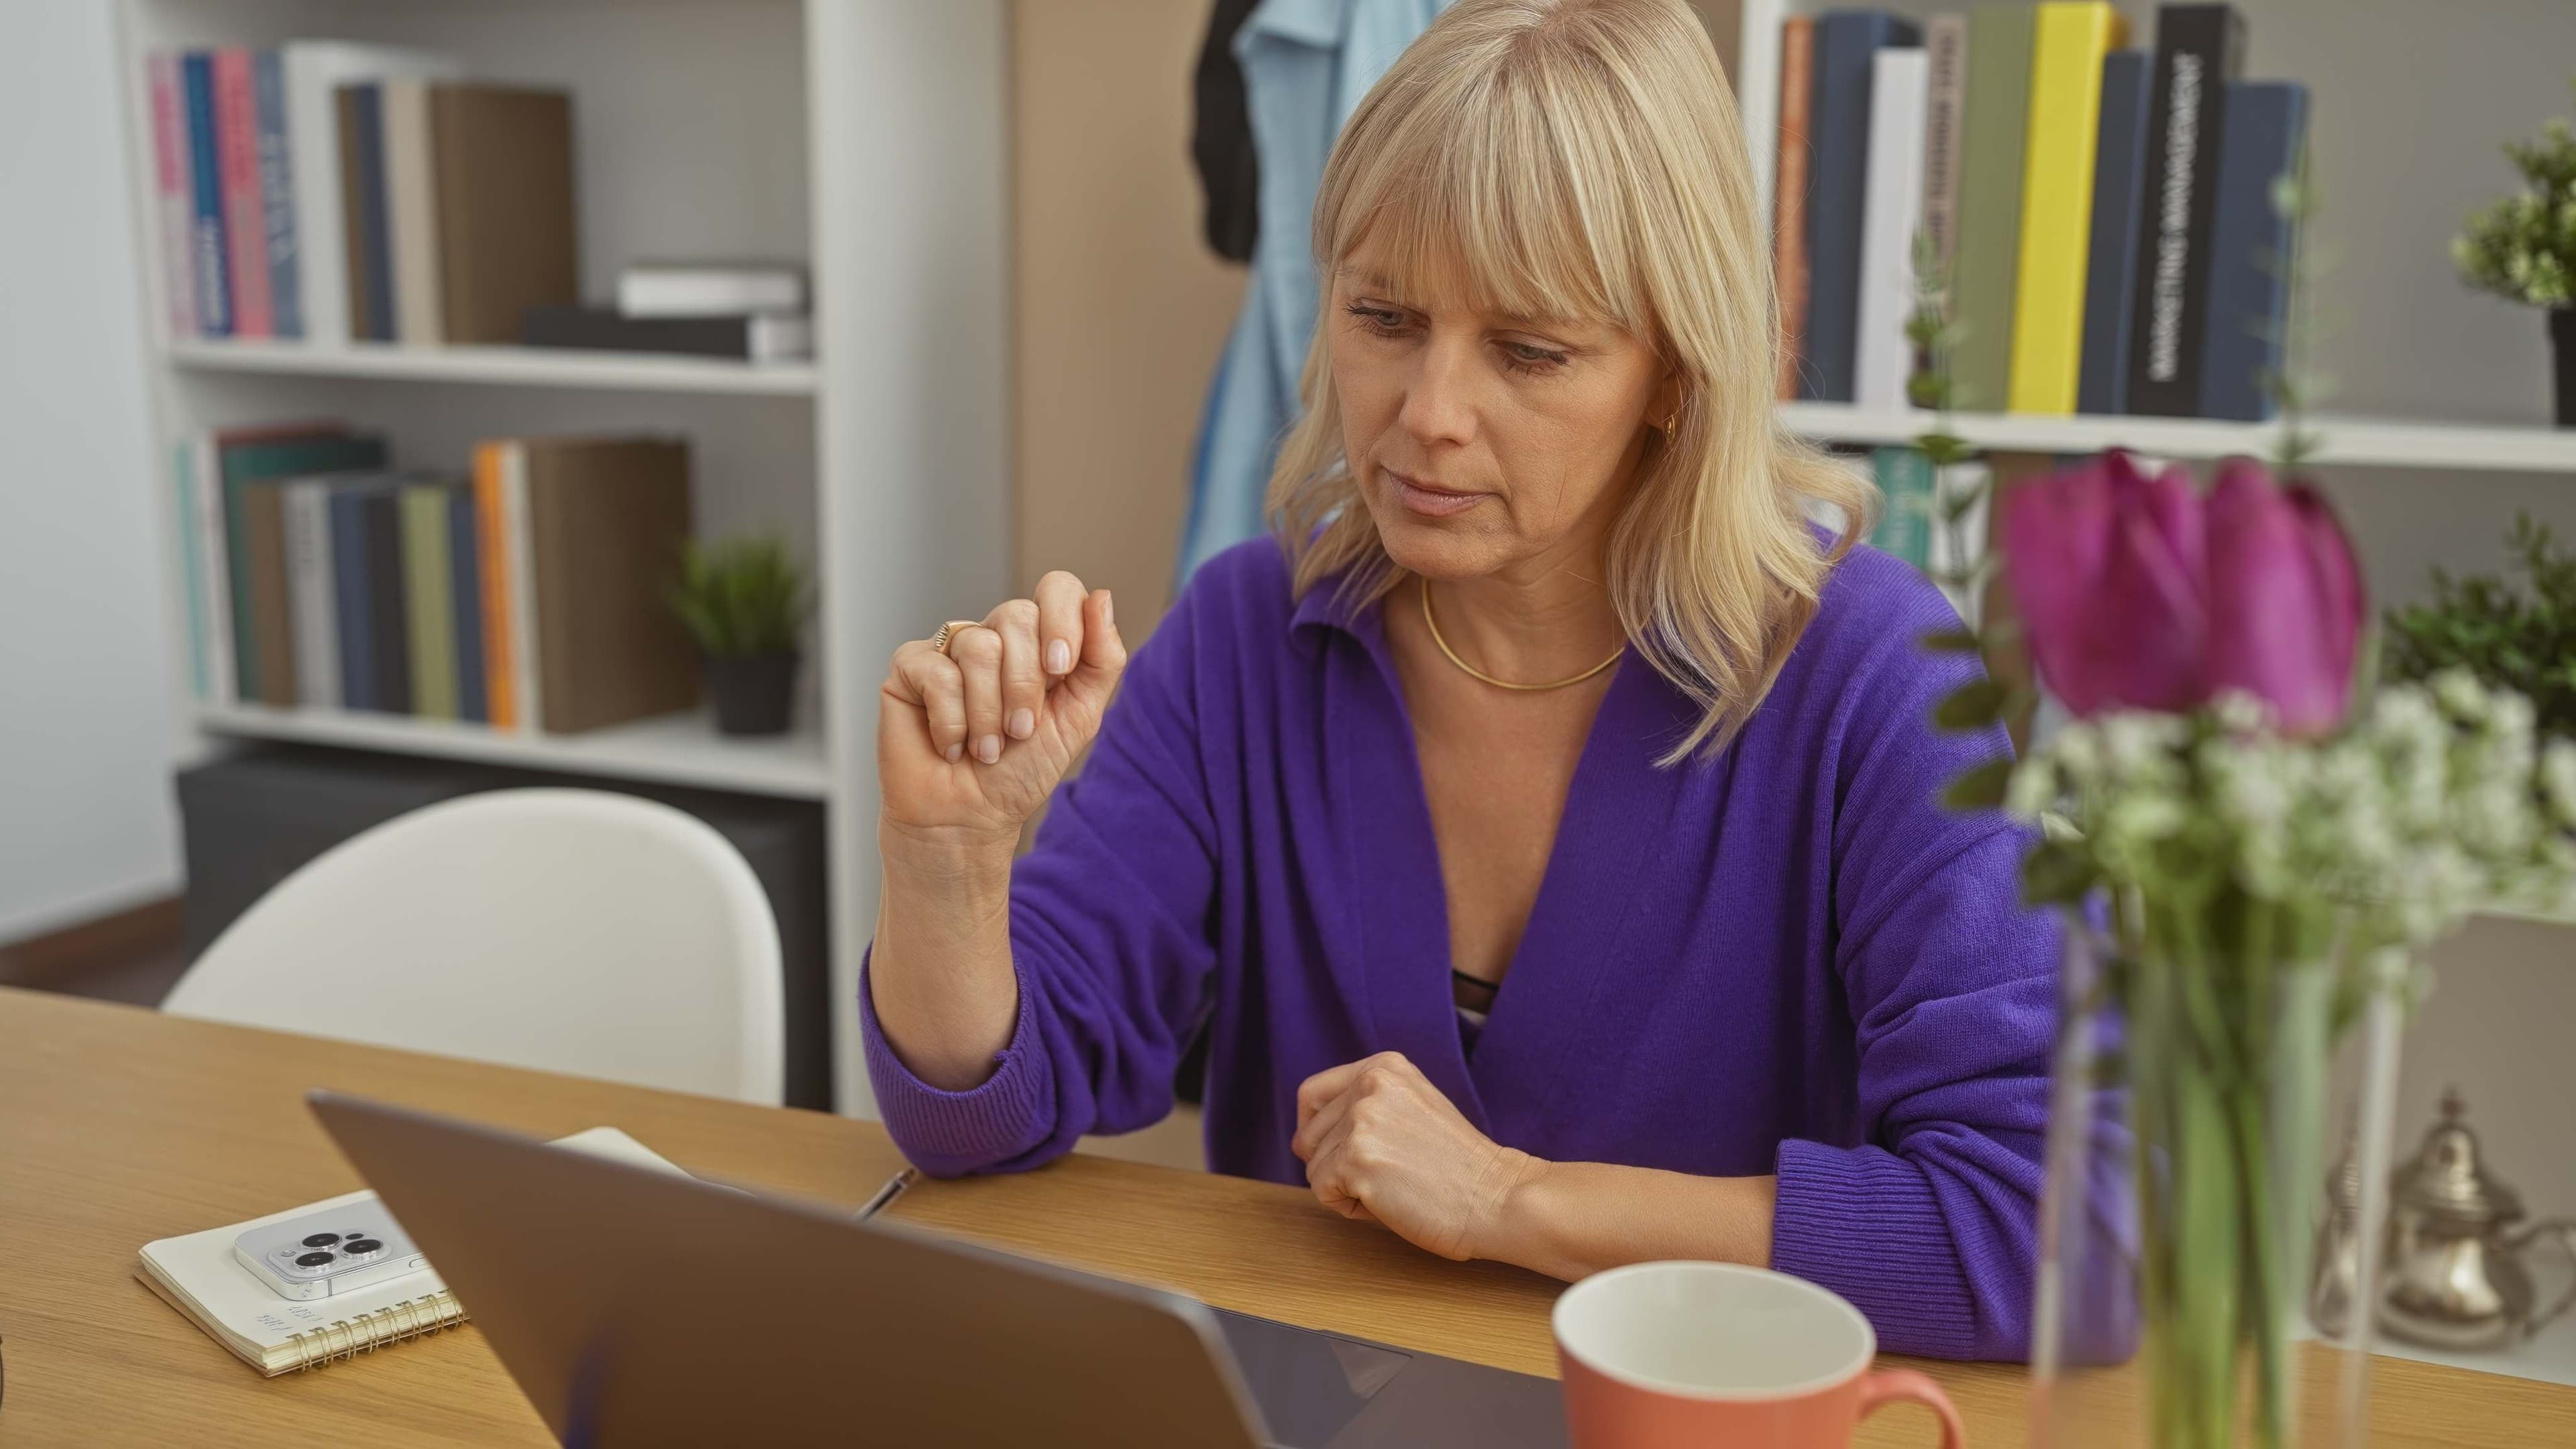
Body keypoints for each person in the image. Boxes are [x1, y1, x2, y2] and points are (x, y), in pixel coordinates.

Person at [865, 0, 2055, 1361]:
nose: (1428, 411)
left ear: (1673, 370)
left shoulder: (1870, 675)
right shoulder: (1251, 632)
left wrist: (1510, 1201)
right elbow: (975, 1118)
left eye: (1529, 350)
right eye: (1383, 316)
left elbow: (2045, 1229)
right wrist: (950, 861)